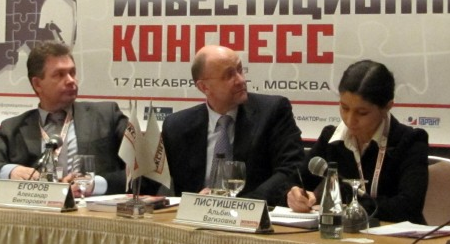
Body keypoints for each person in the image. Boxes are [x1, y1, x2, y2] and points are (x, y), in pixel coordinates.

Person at [0, 41, 128, 195]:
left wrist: (96, 184)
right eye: (59, 74)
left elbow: (139, 166)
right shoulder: (13, 128)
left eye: (72, 73)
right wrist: (11, 171)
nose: (71, 80)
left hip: (91, 207)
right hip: (38, 207)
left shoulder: (106, 115)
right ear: (37, 84)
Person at [287, 59, 429, 224]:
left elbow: (408, 206)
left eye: (362, 113)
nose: (350, 120)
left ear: (387, 107)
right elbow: (294, 183)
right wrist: (294, 195)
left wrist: (347, 208)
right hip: (344, 234)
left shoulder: (410, 141)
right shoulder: (331, 139)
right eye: (344, 108)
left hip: (397, 235)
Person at [160, 45, 305, 206]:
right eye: (229, 75)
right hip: (194, 217)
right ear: (204, 87)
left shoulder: (273, 111)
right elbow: (153, 179)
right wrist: (195, 201)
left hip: (254, 213)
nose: (241, 80)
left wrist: (241, 204)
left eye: (240, 70)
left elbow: (291, 168)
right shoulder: (177, 126)